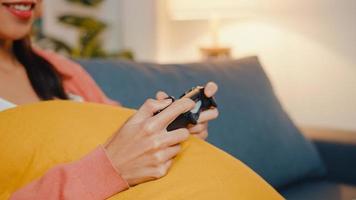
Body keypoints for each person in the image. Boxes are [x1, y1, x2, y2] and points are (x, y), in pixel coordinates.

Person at [0, 0, 219, 199]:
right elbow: (116, 160)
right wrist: (107, 170)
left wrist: (165, 134)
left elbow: (116, 129)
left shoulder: (62, 70)